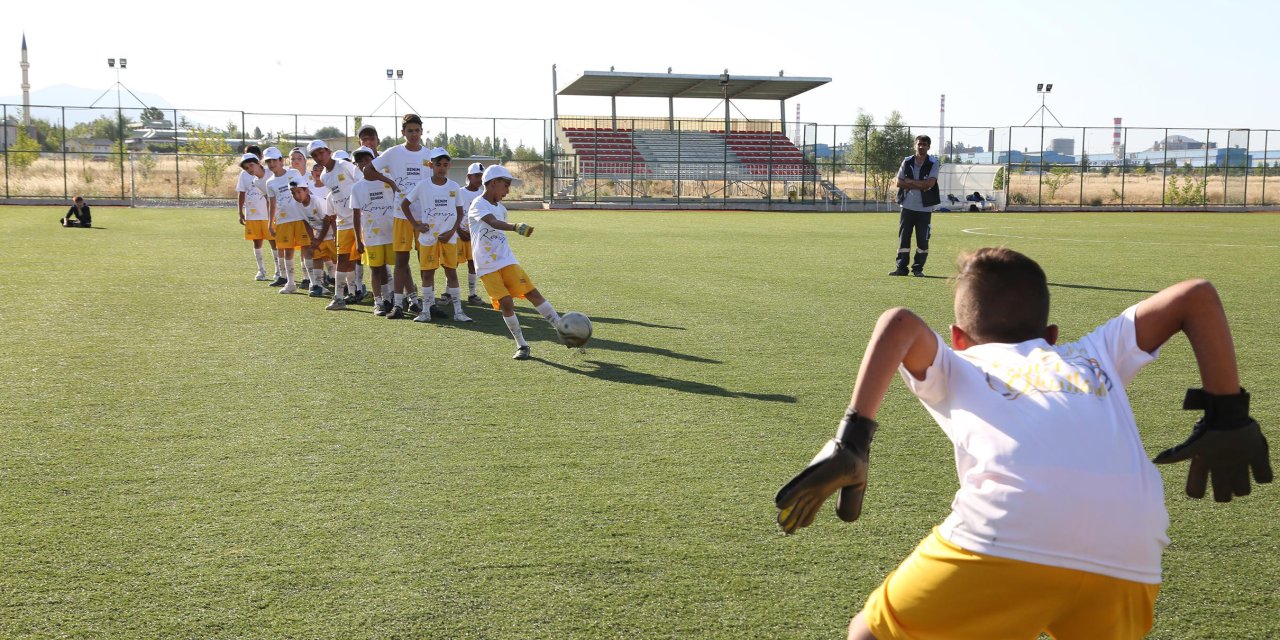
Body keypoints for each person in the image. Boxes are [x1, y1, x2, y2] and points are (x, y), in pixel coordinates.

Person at [775, 247, 1272, 640]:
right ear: (1052, 335)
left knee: (868, 635)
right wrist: (1227, 414)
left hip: (1006, 531)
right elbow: (1196, 294)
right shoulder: (1092, 353)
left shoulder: (960, 364)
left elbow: (900, 321)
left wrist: (853, 439)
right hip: (1130, 548)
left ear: (958, 337)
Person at [468, 165, 571, 360]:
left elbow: (498, 224)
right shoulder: (478, 204)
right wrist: (515, 227)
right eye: (505, 186)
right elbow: (492, 222)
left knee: (532, 292)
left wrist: (512, 226)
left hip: (507, 260)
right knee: (506, 302)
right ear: (492, 183)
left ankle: (561, 329)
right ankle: (522, 344)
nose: (507, 191)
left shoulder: (502, 209)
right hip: (486, 265)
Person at [372, 114, 433, 318]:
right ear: (402, 133)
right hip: (401, 215)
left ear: (422, 131)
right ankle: (398, 305)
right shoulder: (393, 153)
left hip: (425, 217)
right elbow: (368, 170)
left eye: (417, 130)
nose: (414, 134)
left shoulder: (430, 156)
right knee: (401, 261)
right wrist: (389, 181)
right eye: (410, 131)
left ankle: (428, 305)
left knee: (425, 261)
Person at [403, 147, 471, 323]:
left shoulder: (454, 187)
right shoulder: (422, 186)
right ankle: (425, 311)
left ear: (449, 165)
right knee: (427, 274)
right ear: (431, 165)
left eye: (445, 164)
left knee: (452, 273)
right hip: (428, 238)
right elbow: (405, 204)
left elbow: (460, 212)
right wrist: (416, 225)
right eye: (438, 164)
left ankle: (458, 312)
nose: (441, 168)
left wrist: (451, 231)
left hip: (449, 238)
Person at [309, 139, 363, 310]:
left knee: (375, 261)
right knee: (342, 260)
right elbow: (335, 196)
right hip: (343, 224)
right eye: (315, 155)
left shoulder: (344, 165)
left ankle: (388, 297)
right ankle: (340, 297)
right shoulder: (324, 176)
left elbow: (362, 183)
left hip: (362, 220)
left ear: (328, 151)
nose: (319, 157)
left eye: (321, 152)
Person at [349, 146, 396, 315]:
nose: (363, 164)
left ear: (373, 160)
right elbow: (355, 215)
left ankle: (395, 298)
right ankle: (379, 302)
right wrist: (358, 239)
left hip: (391, 233)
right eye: (359, 161)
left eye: (367, 160)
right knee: (376, 269)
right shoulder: (357, 187)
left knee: (396, 267)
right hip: (371, 235)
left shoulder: (388, 180)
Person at [890, 135, 939, 277]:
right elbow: (899, 183)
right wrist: (920, 184)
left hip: (924, 209)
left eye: (924, 144)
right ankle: (901, 268)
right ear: (915, 145)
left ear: (929, 146)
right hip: (906, 207)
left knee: (922, 241)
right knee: (903, 239)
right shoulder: (907, 161)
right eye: (919, 144)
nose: (921, 147)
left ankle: (918, 269)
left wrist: (910, 182)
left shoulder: (933, 163)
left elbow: (929, 184)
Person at [263, 147, 308, 293]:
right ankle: (291, 283)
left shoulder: (294, 173)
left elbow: (304, 192)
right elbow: (272, 203)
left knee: (306, 248)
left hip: (300, 216)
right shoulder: (269, 182)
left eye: (274, 160)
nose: (271, 164)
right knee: (287, 251)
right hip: (283, 221)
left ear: (281, 161)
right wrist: (270, 223)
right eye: (268, 161)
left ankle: (313, 282)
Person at [235, 153, 274, 280]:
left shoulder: (270, 173)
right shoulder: (244, 176)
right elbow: (241, 192)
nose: (249, 169)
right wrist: (240, 211)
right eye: (246, 167)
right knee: (257, 242)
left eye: (251, 165)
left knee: (274, 242)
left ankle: (279, 271)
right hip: (252, 214)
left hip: (268, 215)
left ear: (258, 162)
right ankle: (261, 270)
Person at [456, 162, 487, 305]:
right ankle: (449, 293)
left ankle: (472, 294)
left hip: (474, 236)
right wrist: (459, 230)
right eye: (477, 176)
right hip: (458, 235)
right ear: (469, 176)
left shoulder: (483, 195)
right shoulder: (460, 192)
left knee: (472, 264)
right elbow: (453, 212)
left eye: (482, 176)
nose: (480, 179)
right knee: (452, 264)